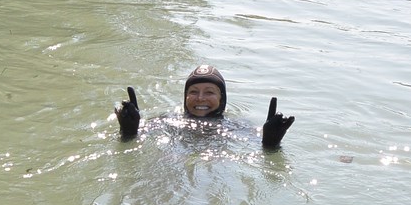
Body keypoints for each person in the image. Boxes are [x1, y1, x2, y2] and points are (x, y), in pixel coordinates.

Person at [114, 65, 295, 149]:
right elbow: (130, 148)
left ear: (222, 99)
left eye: (209, 92)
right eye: (193, 92)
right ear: (185, 97)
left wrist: (271, 143)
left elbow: (263, 155)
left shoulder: (238, 127)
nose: (200, 98)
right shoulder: (165, 122)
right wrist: (129, 132)